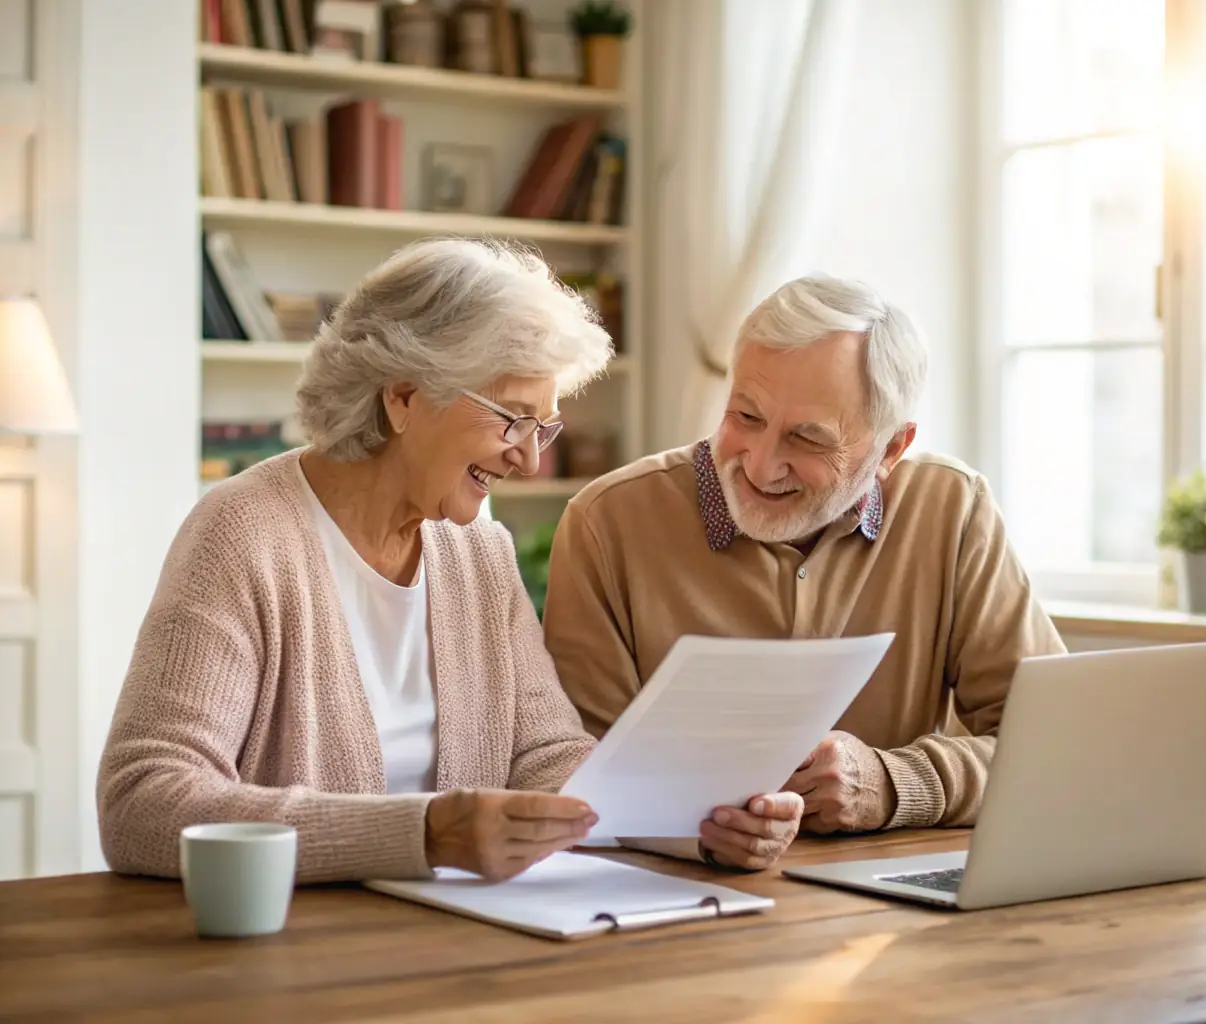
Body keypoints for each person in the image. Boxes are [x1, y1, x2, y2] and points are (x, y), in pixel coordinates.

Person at [97, 239, 801, 885]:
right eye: (512, 418)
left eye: (545, 425)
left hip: (461, 934)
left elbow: (544, 755)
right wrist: (424, 833)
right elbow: (143, 800)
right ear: (403, 397)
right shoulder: (244, 533)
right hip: (296, 945)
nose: (530, 458)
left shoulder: (476, 548)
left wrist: (698, 827)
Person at [543, 274, 1066, 842]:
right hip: (666, 901)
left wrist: (895, 784)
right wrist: (706, 835)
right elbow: (578, 780)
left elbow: (1058, 748)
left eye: (809, 440)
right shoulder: (607, 522)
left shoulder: (953, 509)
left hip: (889, 907)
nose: (761, 466)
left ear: (892, 448)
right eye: (746, 417)